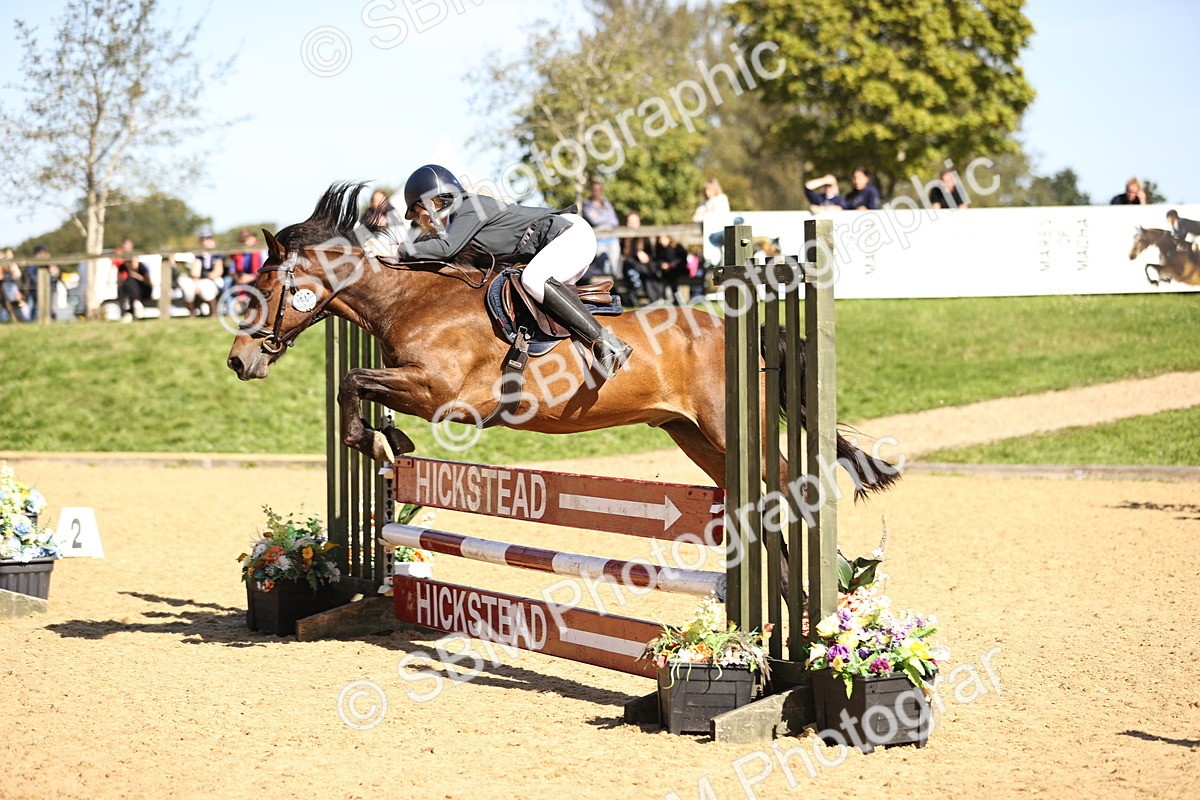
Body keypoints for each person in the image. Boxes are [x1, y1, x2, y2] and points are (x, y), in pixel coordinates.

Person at [365, 164, 632, 379]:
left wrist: (397, 250)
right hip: (559, 242)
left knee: (534, 280)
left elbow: (445, 249)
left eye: (419, 212)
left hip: (570, 235)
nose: (421, 221)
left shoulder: (469, 207)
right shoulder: (461, 219)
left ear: (433, 202)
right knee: (528, 294)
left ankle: (608, 345)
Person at [581, 179, 621, 279]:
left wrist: (600, 216)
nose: (596, 191)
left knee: (615, 266)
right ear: (591, 190)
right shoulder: (587, 204)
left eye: (598, 189)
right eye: (594, 189)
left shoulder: (606, 203)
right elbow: (594, 220)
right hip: (599, 240)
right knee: (603, 267)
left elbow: (615, 221)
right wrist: (606, 218)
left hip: (612, 238)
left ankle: (616, 289)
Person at [619, 212, 657, 304]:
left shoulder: (644, 238)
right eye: (630, 221)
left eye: (634, 221)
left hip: (643, 267)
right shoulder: (623, 237)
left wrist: (645, 256)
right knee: (630, 268)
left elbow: (651, 256)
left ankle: (641, 293)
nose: (632, 224)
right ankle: (637, 292)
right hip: (628, 267)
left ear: (639, 223)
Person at [113, 238, 152, 322]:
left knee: (130, 281)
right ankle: (130, 310)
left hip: (142, 289)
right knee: (126, 284)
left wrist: (135, 274)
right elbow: (119, 281)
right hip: (128, 291)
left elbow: (147, 281)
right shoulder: (122, 267)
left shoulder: (141, 266)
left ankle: (133, 308)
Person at [652, 233, 688, 305]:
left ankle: (673, 299)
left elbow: (682, 259)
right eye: (660, 239)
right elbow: (656, 260)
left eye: (663, 239)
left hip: (677, 270)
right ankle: (665, 299)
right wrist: (663, 265)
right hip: (664, 271)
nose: (661, 241)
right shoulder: (659, 249)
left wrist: (672, 265)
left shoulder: (677, 247)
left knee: (671, 279)